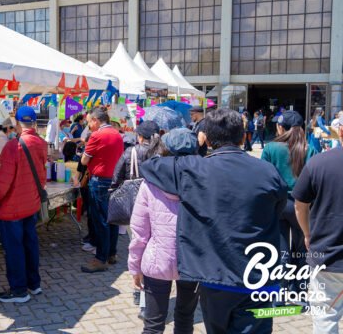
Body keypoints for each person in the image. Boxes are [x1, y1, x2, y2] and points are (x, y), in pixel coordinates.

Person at [140, 108, 287, 334]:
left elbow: (150, 166)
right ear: (242, 136)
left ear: (206, 138)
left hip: (215, 275)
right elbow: (277, 209)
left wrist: (198, 148)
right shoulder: (267, 171)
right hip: (259, 275)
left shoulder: (194, 169)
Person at [129, 128, 200, 334]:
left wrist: (135, 267)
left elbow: (139, 232)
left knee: (152, 325)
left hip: (157, 260)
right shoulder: (204, 180)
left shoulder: (150, 181)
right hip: (192, 262)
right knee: (185, 319)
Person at [0, 106, 47, 303]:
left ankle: (19, 290)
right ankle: (34, 284)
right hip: (31, 202)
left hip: (12, 207)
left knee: (14, 248)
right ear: (33, 122)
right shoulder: (41, 143)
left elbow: (2, 183)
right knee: (30, 244)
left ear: (17, 123)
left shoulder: (14, 146)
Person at [293, 120, 343, 334]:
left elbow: (300, 204)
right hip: (327, 257)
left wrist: (307, 233)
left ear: (339, 131)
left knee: (325, 318)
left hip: (326, 256)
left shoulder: (318, 163)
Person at [261, 110, 317, 297]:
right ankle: (299, 292)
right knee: (302, 250)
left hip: (278, 204)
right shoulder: (309, 149)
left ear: (281, 128)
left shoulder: (270, 149)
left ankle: (281, 292)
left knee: (280, 249)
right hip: (303, 206)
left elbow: (264, 179)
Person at [80, 107, 124, 273]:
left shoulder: (97, 135)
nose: (89, 125)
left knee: (100, 221)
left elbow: (84, 161)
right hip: (113, 180)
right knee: (112, 219)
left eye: (89, 121)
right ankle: (111, 253)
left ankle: (101, 258)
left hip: (99, 181)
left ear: (96, 121)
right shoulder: (116, 133)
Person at [111, 120, 162, 189]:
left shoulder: (130, 151)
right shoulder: (162, 152)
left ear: (140, 137)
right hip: (156, 194)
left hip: (133, 194)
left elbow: (117, 176)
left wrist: (114, 189)